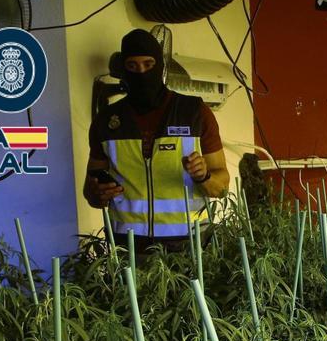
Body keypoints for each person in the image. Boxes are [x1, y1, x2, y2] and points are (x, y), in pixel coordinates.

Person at [83, 29, 230, 251]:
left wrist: (204, 176)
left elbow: (221, 188)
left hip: (191, 247)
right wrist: (98, 194)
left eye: (148, 64)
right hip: (129, 248)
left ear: (160, 65)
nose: (141, 72)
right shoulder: (106, 121)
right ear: (124, 70)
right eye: (132, 66)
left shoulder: (195, 112)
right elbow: (90, 193)